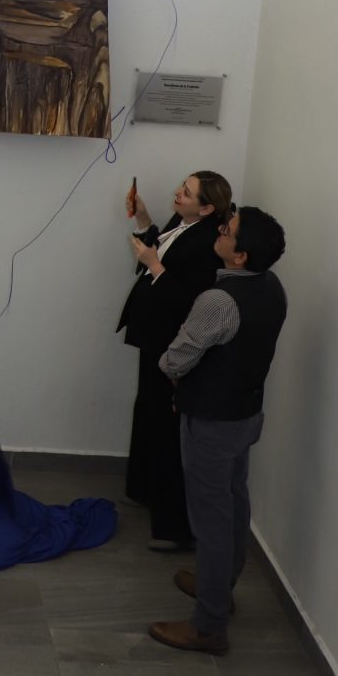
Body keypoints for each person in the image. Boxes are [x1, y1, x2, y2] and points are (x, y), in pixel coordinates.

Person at [148, 205, 288, 655]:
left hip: (211, 421)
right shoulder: (272, 287)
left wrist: (173, 372)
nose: (222, 230)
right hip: (246, 415)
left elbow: (176, 358)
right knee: (233, 501)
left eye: (229, 230)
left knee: (210, 521)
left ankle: (208, 625)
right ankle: (220, 586)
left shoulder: (218, 301)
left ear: (240, 255)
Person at [118, 170, 232, 551]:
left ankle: (172, 527)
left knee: (165, 425)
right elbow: (163, 247)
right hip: (154, 335)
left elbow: (188, 300)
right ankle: (143, 489)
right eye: (182, 188)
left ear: (207, 208)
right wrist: (143, 216)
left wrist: (153, 265)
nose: (178, 195)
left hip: (171, 342)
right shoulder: (185, 222)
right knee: (148, 411)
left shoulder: (207, 243)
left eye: (186, 193)